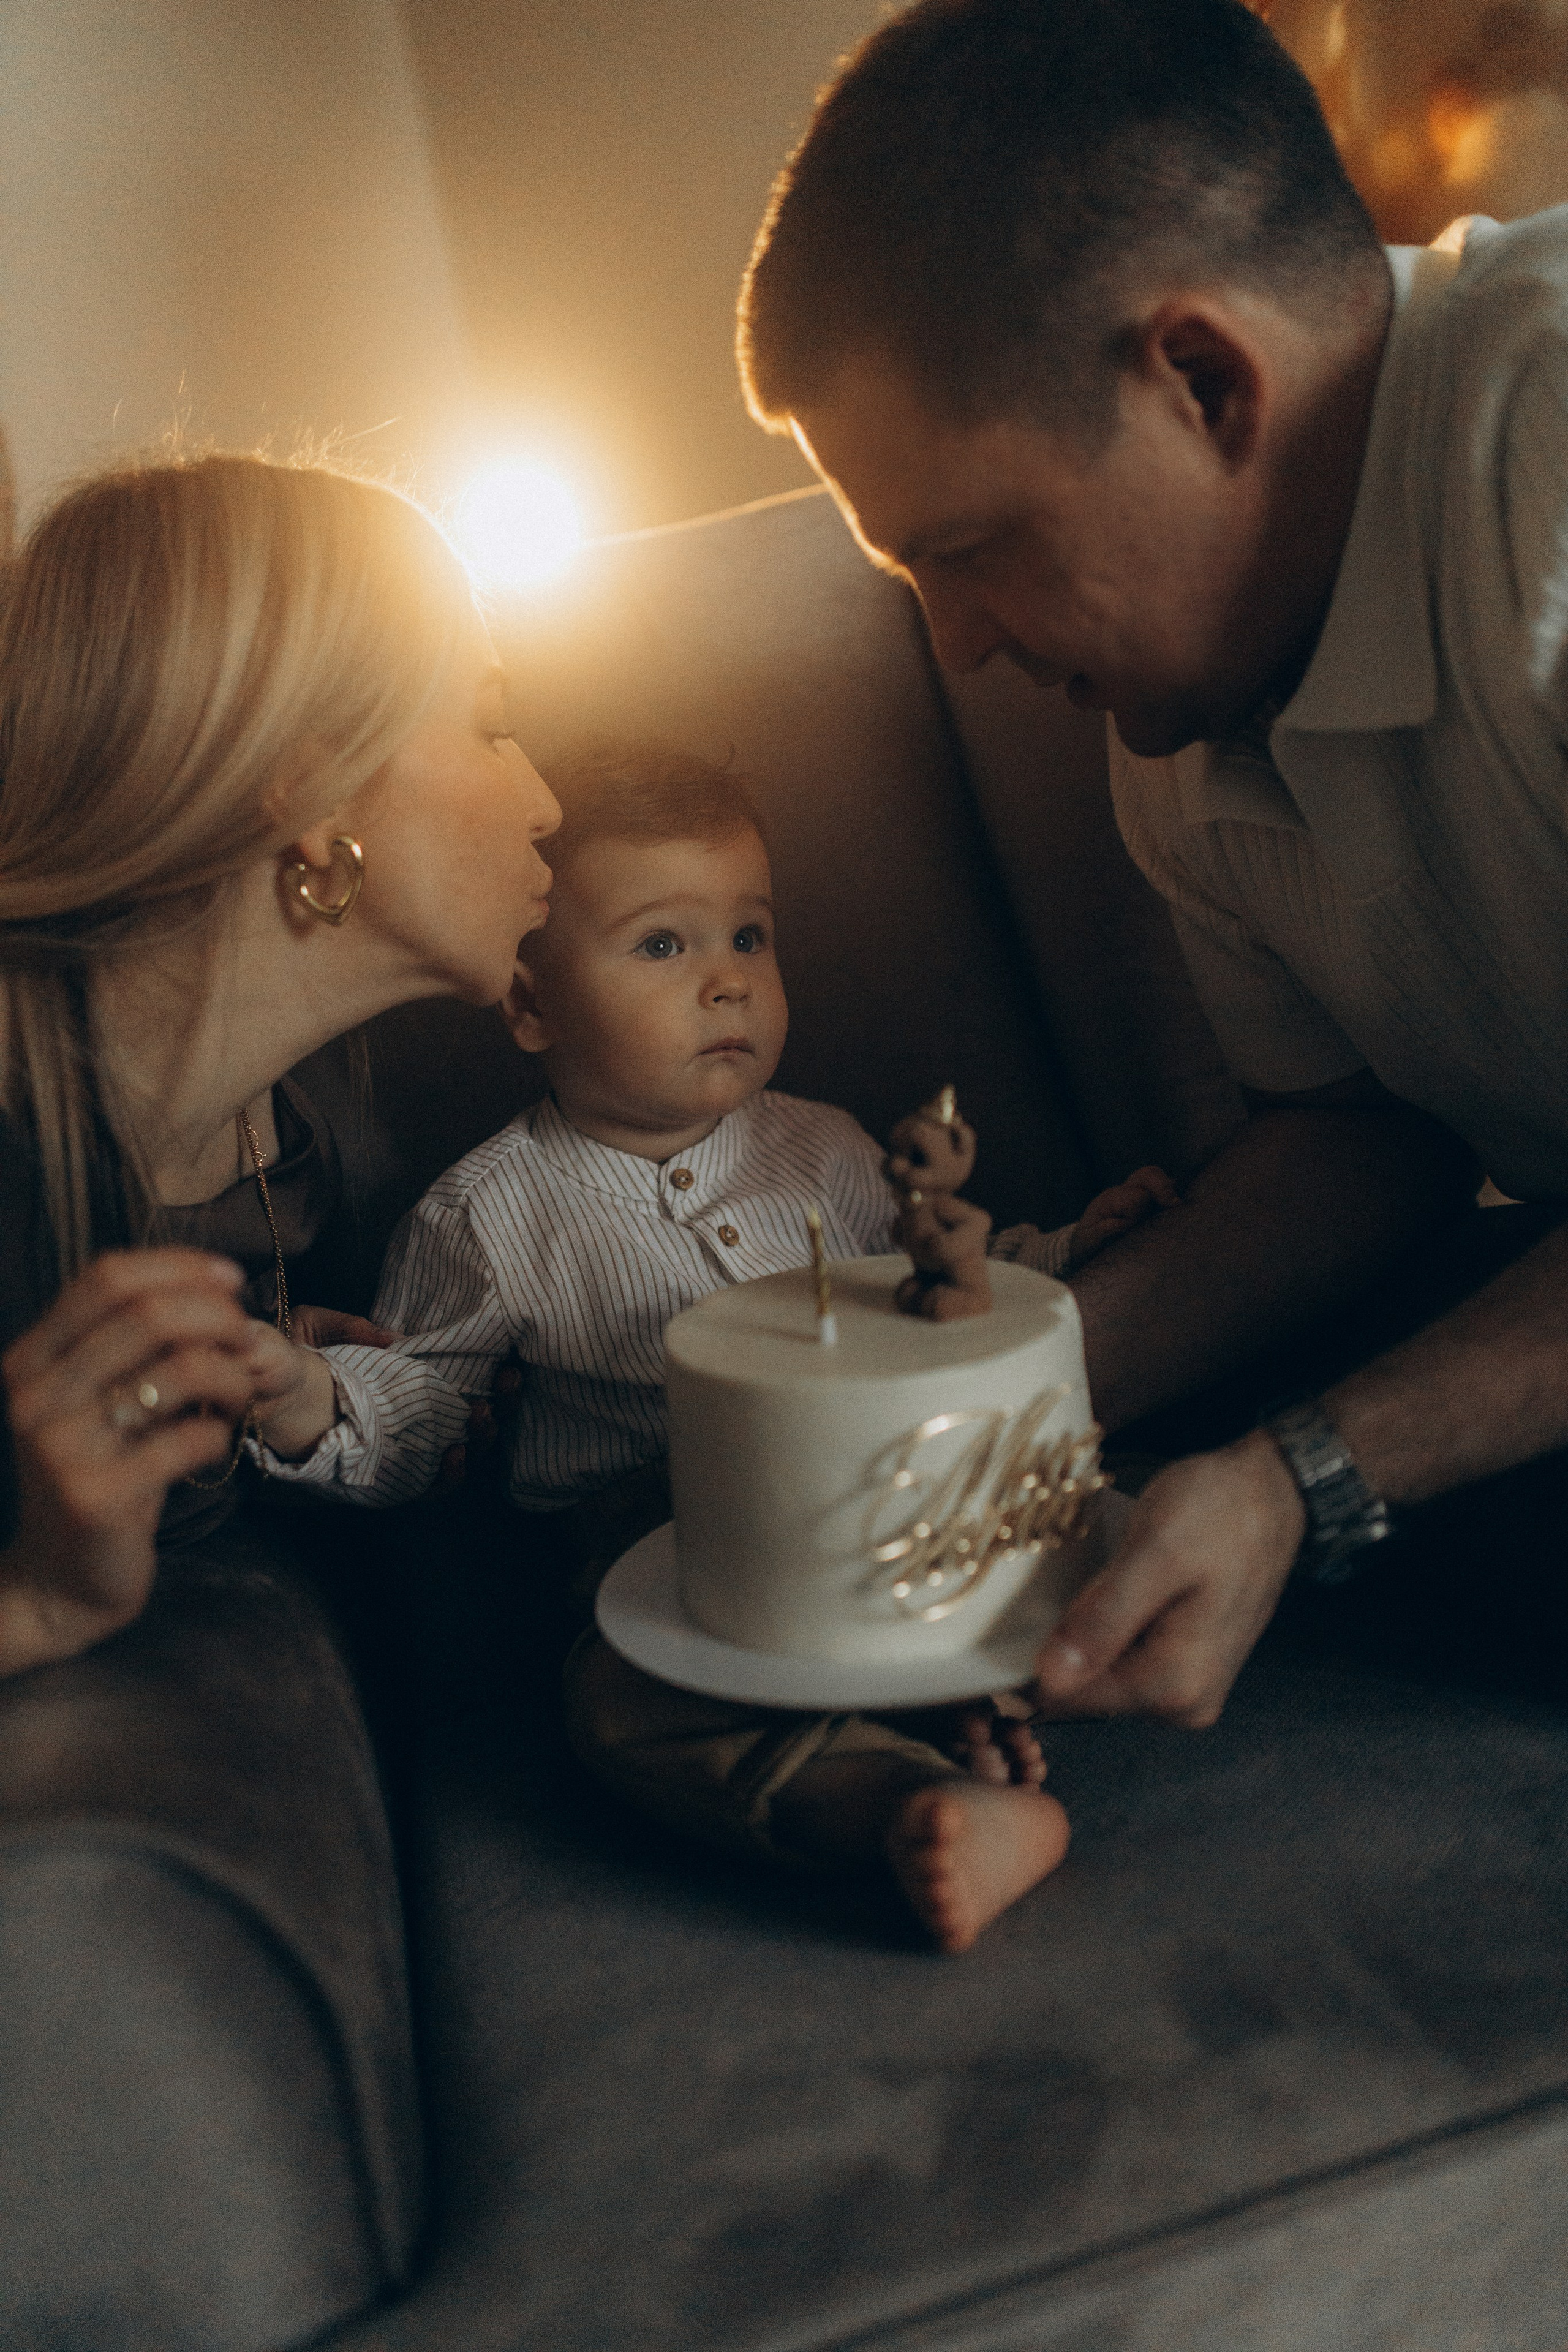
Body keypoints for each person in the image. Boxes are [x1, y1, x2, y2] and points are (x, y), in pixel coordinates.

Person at [736, 0, 1568, 1730]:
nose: (959, 647)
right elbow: (1361, 1132)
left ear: (1204, 380)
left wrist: (1308, 1478)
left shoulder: (1549, 449)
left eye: (970, 550)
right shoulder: (1175, 722)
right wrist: (991, 1400)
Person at [251, 741, 1175, 1949]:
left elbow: (947, 1291)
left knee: (1102, 1525)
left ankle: (971, 1691)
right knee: (619, 1709)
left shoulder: (829, 1147)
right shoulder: (489, 1211)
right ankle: (909, 1799)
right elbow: (427, 1402)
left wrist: (1072, 1250)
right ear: (530, 1002)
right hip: (670, 1566)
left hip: (886, 1514)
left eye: (749, 935)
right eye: (661, 945)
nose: (728, 982)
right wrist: (311, 1401)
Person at [0, 451, 560, 2334]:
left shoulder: (313, 1124)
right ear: (311, 795)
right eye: (486, 725)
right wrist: (45, 1597)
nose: (547, 798)